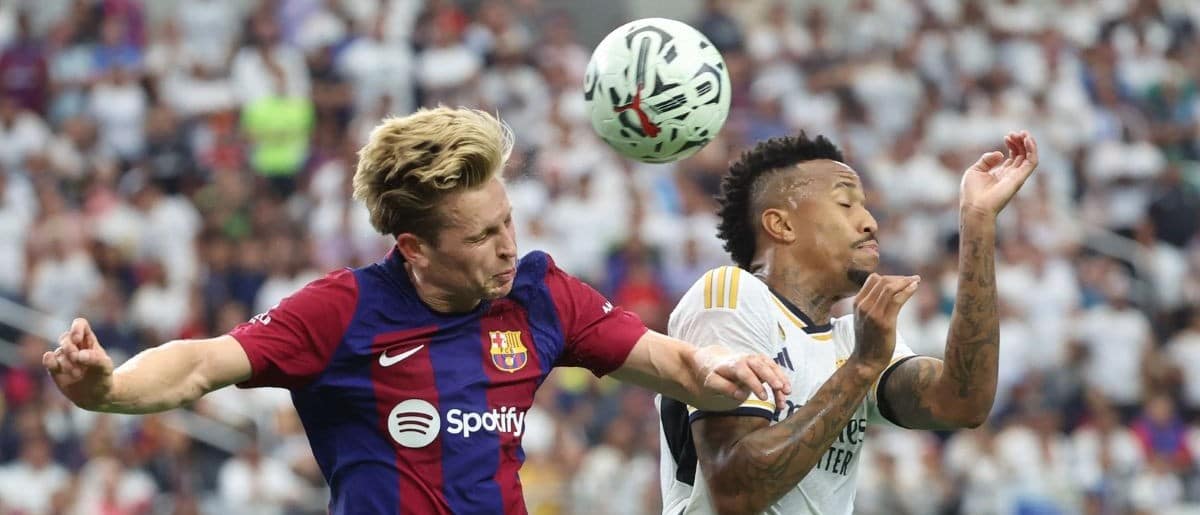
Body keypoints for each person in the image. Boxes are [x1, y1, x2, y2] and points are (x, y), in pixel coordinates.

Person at [43, 107, 791, 514]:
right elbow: (202, 361)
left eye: (508, 220)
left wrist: (718, 363)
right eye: (482, 235)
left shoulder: (540, 292)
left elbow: (669, 361)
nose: (508, 246)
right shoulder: (342, 310)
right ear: (415, 247)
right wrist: (108, 389)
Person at [658, 130, 1038, 514]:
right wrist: (860, 369)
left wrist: (977, 222)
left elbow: (963, 403)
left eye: (866, 206)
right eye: (845, 204)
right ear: (782, 225)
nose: (870, 222)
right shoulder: (731, 292)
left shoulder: (847, 339)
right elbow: (735, 493)